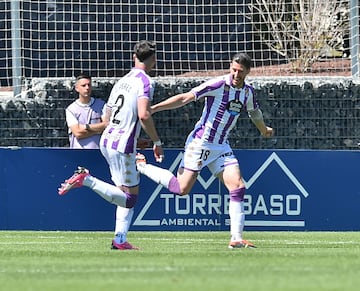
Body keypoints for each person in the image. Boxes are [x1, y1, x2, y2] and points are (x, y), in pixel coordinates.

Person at [136, 52, 274, 249]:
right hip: (200, 143)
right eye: (234, 69)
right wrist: (154, 108)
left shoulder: (248, 92)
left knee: (238, 186)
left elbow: (254, 112)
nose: (236, 74)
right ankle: (142, 166)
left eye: (240, 72)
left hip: (221, 146)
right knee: (181, 189)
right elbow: (185, 97)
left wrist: (263, 129)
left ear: (248, 72)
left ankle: (236, 238)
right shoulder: (218, 84)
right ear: (230, 67)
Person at [58, 40, 164, 250]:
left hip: (108, 140)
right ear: (153, 59)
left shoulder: (122, 81)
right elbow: (144, 114)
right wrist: (156, 141)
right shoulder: (146, 82)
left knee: (121, 192)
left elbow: (107, 113)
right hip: (122, 145)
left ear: (134, 57)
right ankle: (86, 179)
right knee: (130, 199)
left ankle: (120, 240)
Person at [65, 74, 108, 149]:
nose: (87, 88)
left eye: (89, 85)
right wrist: (98, 130)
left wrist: (86, 127)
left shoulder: (101, 105)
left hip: (98, 152)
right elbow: (78, 133)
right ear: (77, 88)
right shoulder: (71, 109)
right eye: (83, 85)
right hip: (79, 154)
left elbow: (107, 125)